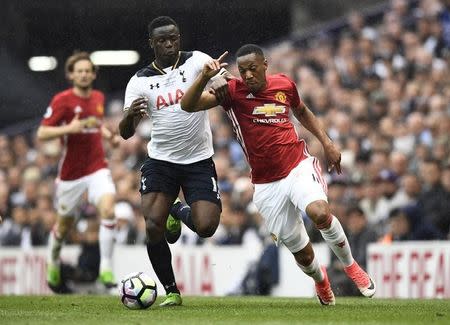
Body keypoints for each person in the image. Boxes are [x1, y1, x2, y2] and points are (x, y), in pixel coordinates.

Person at [181, 44, 376, 305]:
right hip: (266, 184)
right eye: (243, 71)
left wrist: (327, 142)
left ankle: (352, 267)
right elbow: (188, 105)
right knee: (303, 255)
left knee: (319, 212)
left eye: (253, 69)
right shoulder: (231, 92)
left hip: (298, 166)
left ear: (265, 65)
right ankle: (321, 281)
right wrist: (206, 77)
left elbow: (302, 111)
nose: (248, 75)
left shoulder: (284, 84)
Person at [118, 16, 226, 307]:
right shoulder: (139, 81)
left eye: (174, 38)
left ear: (179, 37)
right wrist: (129, 117)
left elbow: (222, 85)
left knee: (206, 227)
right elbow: (125, 134)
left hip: (198, 159)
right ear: (151, 43)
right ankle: (172, 291)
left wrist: (222, 81)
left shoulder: (197, 62)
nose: (169, 44)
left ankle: (176, 210)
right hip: (161, 160)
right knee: (153, 225)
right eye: (162, 40)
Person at [37, 52, 120, 293]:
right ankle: (53, 261)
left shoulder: (98, 97)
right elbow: (42, 133)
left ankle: (106, 267)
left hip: (96, 168)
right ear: (71, 75)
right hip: (71, 174)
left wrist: (110, 137)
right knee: (63, 227)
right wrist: (70, 128)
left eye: (88, 70)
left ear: (93, 74)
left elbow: (96, 124)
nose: (84, 74)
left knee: (108, 209)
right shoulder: (62, 100)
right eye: (79, 71)